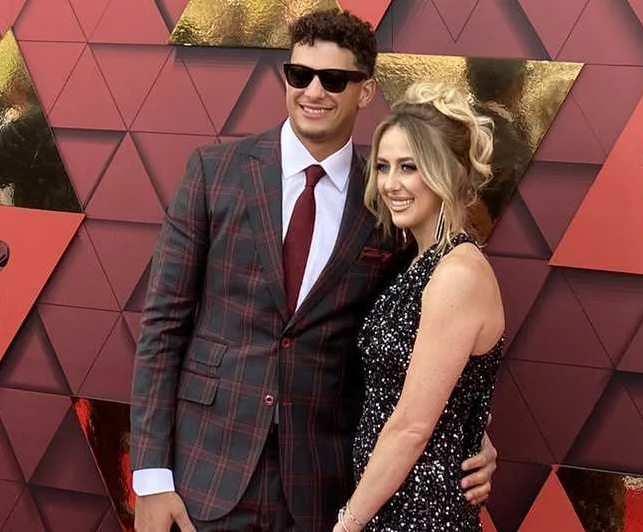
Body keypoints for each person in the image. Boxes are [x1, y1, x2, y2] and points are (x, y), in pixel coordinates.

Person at [130, 8, 498, 532]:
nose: (313, 91)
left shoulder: (390, 197)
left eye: (333, 79)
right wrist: (151, 476)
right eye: (299, 75)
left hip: (323, 484)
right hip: (204, 476)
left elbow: (432, 331)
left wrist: (472, 433)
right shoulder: (216, 173)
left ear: (365, 92)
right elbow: (162, 326)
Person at [334, 82, 506, 532]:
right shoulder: (422, 265)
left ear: (445, 172)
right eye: (384, 166)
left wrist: (348, 523)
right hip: (394, 503)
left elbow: (411, 426)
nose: (390, 183)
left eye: (408, 167)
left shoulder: (456, 274)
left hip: (420, 514)